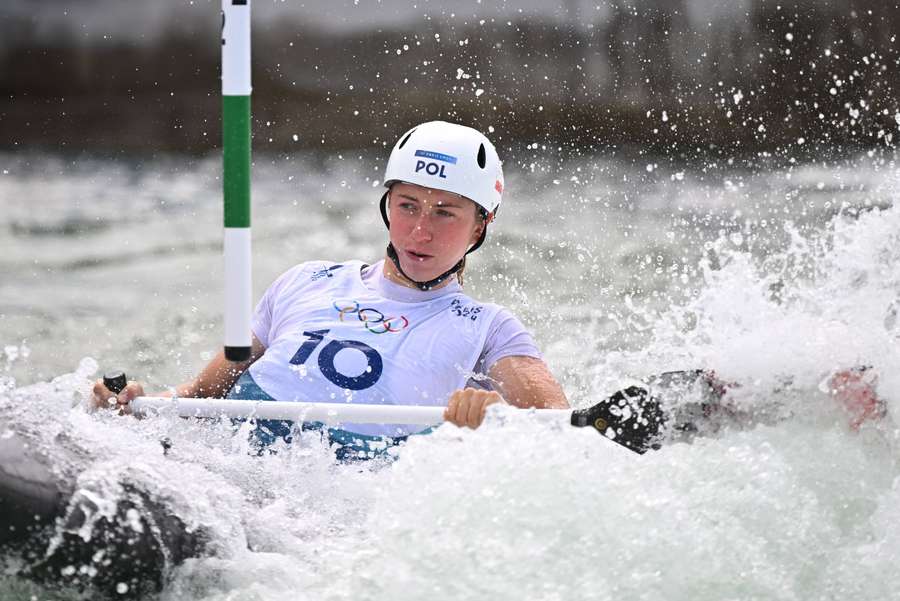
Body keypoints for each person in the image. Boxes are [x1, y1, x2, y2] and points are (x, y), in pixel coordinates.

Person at [92, 121, 569, 458]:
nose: (420, 230)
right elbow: (199, 396)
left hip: (326, 502)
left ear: (479, 227)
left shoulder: (489, 329)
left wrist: (498, 414)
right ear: (387, 206)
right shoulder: (305, 281)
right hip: (221, 461)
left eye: (445, 212)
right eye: (408, 206)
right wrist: (138, 406)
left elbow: (561, 427)